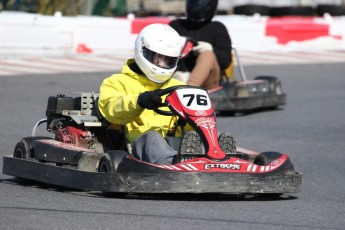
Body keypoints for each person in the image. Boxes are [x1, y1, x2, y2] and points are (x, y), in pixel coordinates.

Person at [98, 23, 189, 165]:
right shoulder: (116, 82)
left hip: (176, 142)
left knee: (197, 134)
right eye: (159, 58)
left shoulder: (179, 87)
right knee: (153, 137)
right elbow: (111, 110)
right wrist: (139, 101)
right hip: (139, 143)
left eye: (168, 60)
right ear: (143, 51)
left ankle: (216, 159)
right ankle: (173, 165)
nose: (163, 65)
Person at [169, 0, 232, 90]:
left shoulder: (218, 28)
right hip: (179, 72)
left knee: (207, 55)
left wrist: (211, 49)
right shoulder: (176, 26)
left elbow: (226, 62)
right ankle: (180, 82)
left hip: (209, 81)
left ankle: (189, 89)